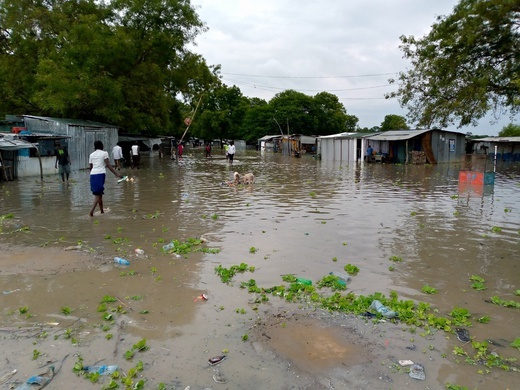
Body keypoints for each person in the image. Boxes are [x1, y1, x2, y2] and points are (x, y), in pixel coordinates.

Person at [89, 140, 122, 217]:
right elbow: (108, 165)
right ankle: (92, 211)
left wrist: (92, 175)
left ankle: (102, 211)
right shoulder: (104, 153)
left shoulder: (91, 155)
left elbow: (90, 167)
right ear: (101, 146)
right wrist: (117, 174)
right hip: (100, 174)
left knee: (99, 193)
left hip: (93, 174)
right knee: (98, 194)